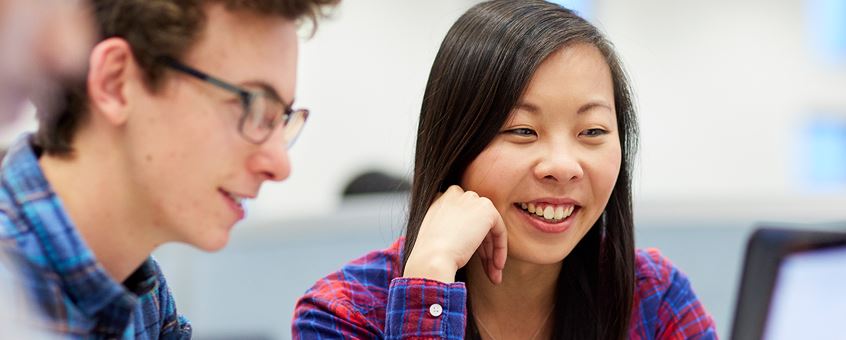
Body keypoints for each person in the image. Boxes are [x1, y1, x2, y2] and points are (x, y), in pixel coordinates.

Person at [292, 1, 717, 339]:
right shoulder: (343, 314)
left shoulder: (653, 297)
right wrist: (430, 282)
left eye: (592, 130)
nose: (563, 166)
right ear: (455, 143)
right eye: (522, 130)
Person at [0, 0, 337, 338]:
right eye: (252, 104)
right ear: (115, 82)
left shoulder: (144, 294)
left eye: (281, 121)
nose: (280, 165)